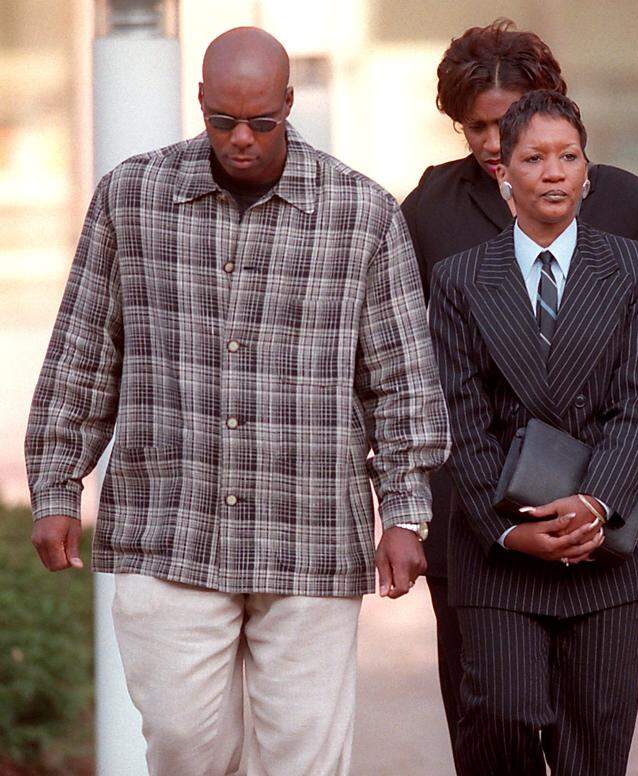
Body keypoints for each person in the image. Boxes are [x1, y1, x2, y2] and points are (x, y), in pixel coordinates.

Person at [25, 27, 449, 775]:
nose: (242, 139)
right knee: (186, 748)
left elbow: (402, 378)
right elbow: (84, 351)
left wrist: (405, 513)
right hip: (171, 524)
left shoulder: (363, 213)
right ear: (200, 103)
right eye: (224, 121)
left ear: (290, 103)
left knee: (303, 759)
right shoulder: (133, 196)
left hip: (311, 532)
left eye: (262, 121)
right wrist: (57, 486)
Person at [400, 19, 638, 757]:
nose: (501, 144)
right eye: (482, 130)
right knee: (489, 715)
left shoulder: (617, 204)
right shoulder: (432, 208)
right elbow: (418, 358)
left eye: (518, 125)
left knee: (593, 732)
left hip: (606, 495)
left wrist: (579, 330)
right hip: (485, 498)